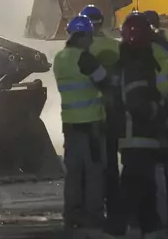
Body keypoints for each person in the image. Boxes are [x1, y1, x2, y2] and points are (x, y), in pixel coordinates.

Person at [106, 12, 168, 239]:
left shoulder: (124, 57)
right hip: (149, 127)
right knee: (142, 179)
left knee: (138, 179)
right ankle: (145, 224)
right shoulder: (154, 54)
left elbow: (122, 95)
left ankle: (142, 224)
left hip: (137, 128)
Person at [53, 15, 110, 237]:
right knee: (94, 172)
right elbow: (105, 81)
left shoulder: (60, 58)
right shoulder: (86, 59)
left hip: (70, 124)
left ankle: (72, 215)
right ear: (83, 36)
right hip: (92, 124)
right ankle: (94, 216)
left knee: (74, 173)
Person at [79, 4, 121, 228]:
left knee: (90, 165)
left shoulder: (80, 52)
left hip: (87, 116)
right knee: (111, 163)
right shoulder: (115, 46)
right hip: (112, 113)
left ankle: (92, 213)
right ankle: (114, 210)